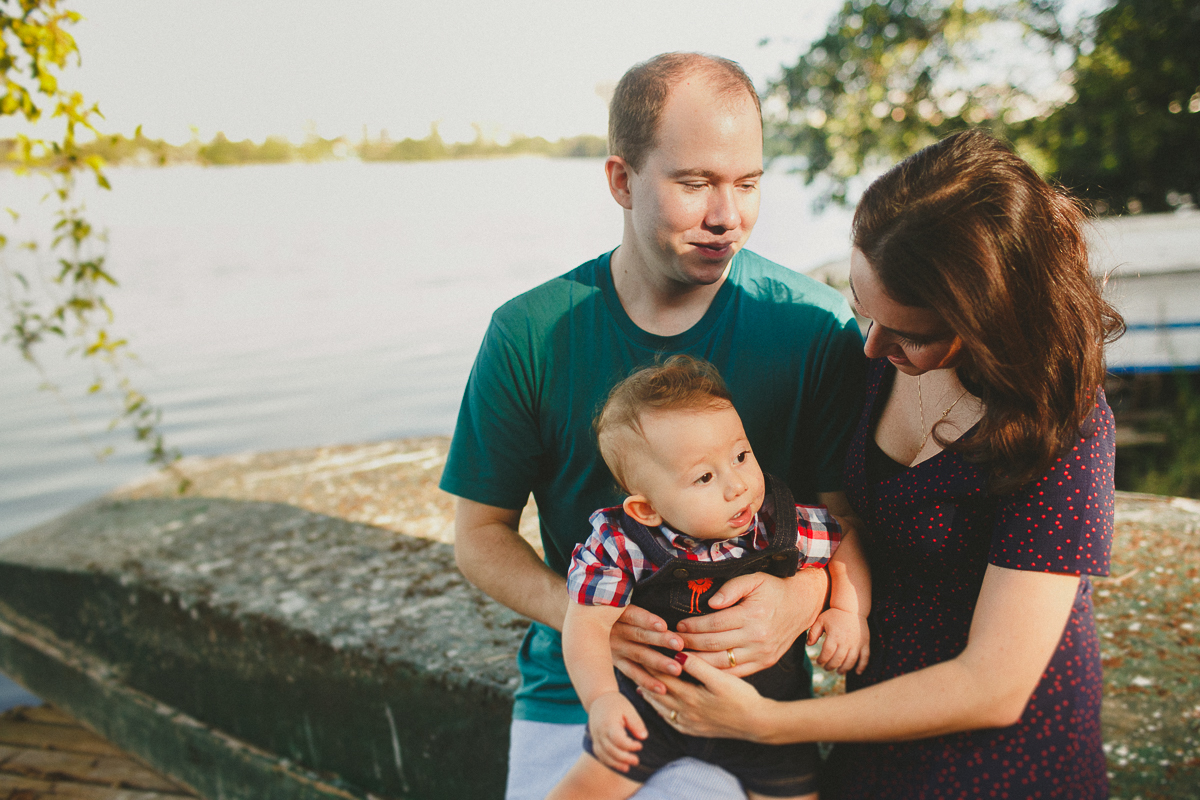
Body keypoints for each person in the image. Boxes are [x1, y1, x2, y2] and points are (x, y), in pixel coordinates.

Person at [638, 129, 1125, 799]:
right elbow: (819, 517)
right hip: (872, 740)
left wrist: (769, 725)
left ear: (990, 319)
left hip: (1009, 766)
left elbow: (995, 687)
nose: (870, 346)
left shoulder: (1064, 427)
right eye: (861, 306)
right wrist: (802, 592)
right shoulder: (867, 364)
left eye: (912, 334)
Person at [439, 52, 865, 799]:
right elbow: (479, 537)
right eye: (695, 183)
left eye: (748, 183)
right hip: (578, 697)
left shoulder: (814, 328)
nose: (726, 215)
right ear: (621, 181)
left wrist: (798, 603)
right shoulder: (529, 334)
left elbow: (844, 524)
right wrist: (592, 618)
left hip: (751, 703)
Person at [549, 356, 870, 800]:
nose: (736, 484)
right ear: (647, 509)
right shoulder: (623, 544)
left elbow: (844, 537)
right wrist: (602, 699)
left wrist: (849, 610)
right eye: (704, 476)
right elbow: (585, 624)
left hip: (768, 720)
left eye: (741, 455)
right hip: (656, 710)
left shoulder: (778, 524)